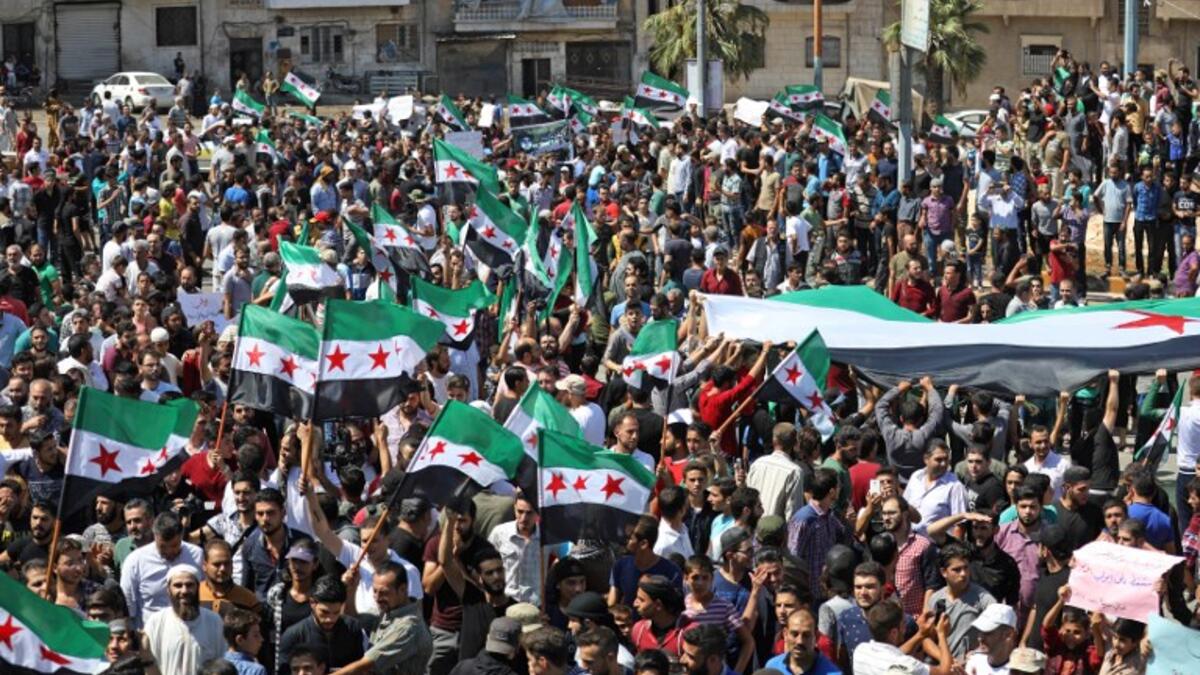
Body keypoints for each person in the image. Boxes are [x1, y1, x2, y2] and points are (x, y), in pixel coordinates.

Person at [142, 564, 226, 675]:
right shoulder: (156, 622)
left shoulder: (214, 621)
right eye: (178, 585)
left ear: (198, 587)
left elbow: (222, 663)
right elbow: (148, 665)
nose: (184, 591)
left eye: (189, 585)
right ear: (168, 590)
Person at [764, 608, 843, 675]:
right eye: (794, 634)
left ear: (816, 636)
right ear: (785, 634)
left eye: (806, 635)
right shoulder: (772, 669)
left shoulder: (832, 673)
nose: (800, 641)